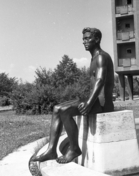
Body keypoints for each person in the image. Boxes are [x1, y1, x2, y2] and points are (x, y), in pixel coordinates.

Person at [32, 27, 114, 164]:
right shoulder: (94, 57)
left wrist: (88, 103)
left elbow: (100, 81)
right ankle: (51, 150)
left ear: (97, 39)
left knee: (64, 111)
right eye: (83, 39)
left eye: (88, 38)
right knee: (57, 108)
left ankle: (74, 149)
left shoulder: (101, 57)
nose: (84, 42)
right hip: (96, 100)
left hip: (103, 104)